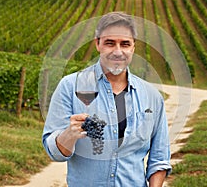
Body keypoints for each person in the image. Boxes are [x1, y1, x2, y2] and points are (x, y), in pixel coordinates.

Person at [42, 12, 172, 187]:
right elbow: (54, 153)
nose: (118, 52)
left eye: (125, 44)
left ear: (133, 47)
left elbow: (159, 158)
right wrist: (69, 135)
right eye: (110, 43)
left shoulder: (152, 96)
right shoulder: (70, 86)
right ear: (98, 44)